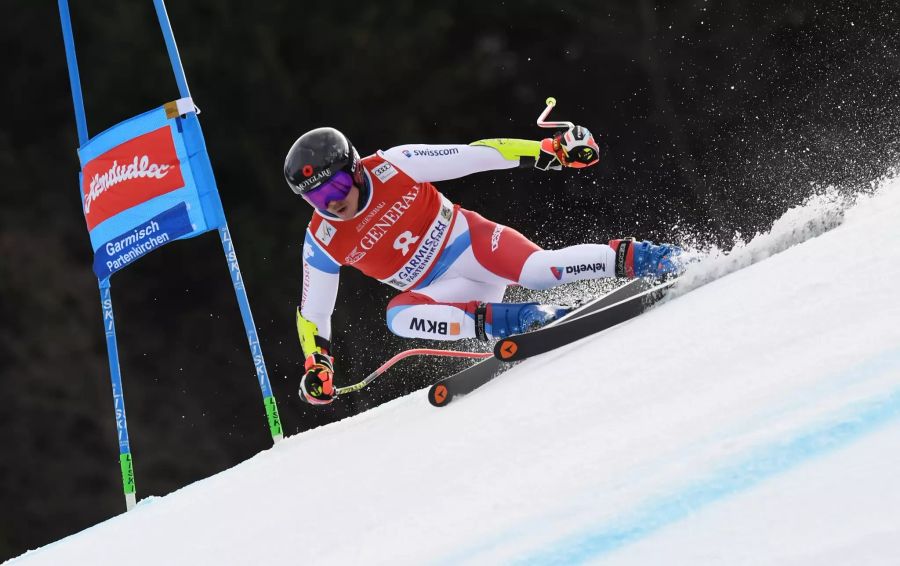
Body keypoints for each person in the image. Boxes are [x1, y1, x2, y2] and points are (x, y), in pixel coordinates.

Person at [285, 125, 680, 405]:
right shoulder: (322, 240)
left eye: (335, 187)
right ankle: (528, 319)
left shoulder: (394, 165)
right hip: (449, 292)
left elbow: (477, 154)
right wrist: (318, 365)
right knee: (398, 316)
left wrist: (551, 151)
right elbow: (314, 312)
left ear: (354, 170)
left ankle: (653, 258)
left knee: (539, 271)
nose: (331, 203)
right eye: (316, 198)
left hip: (473, 244)